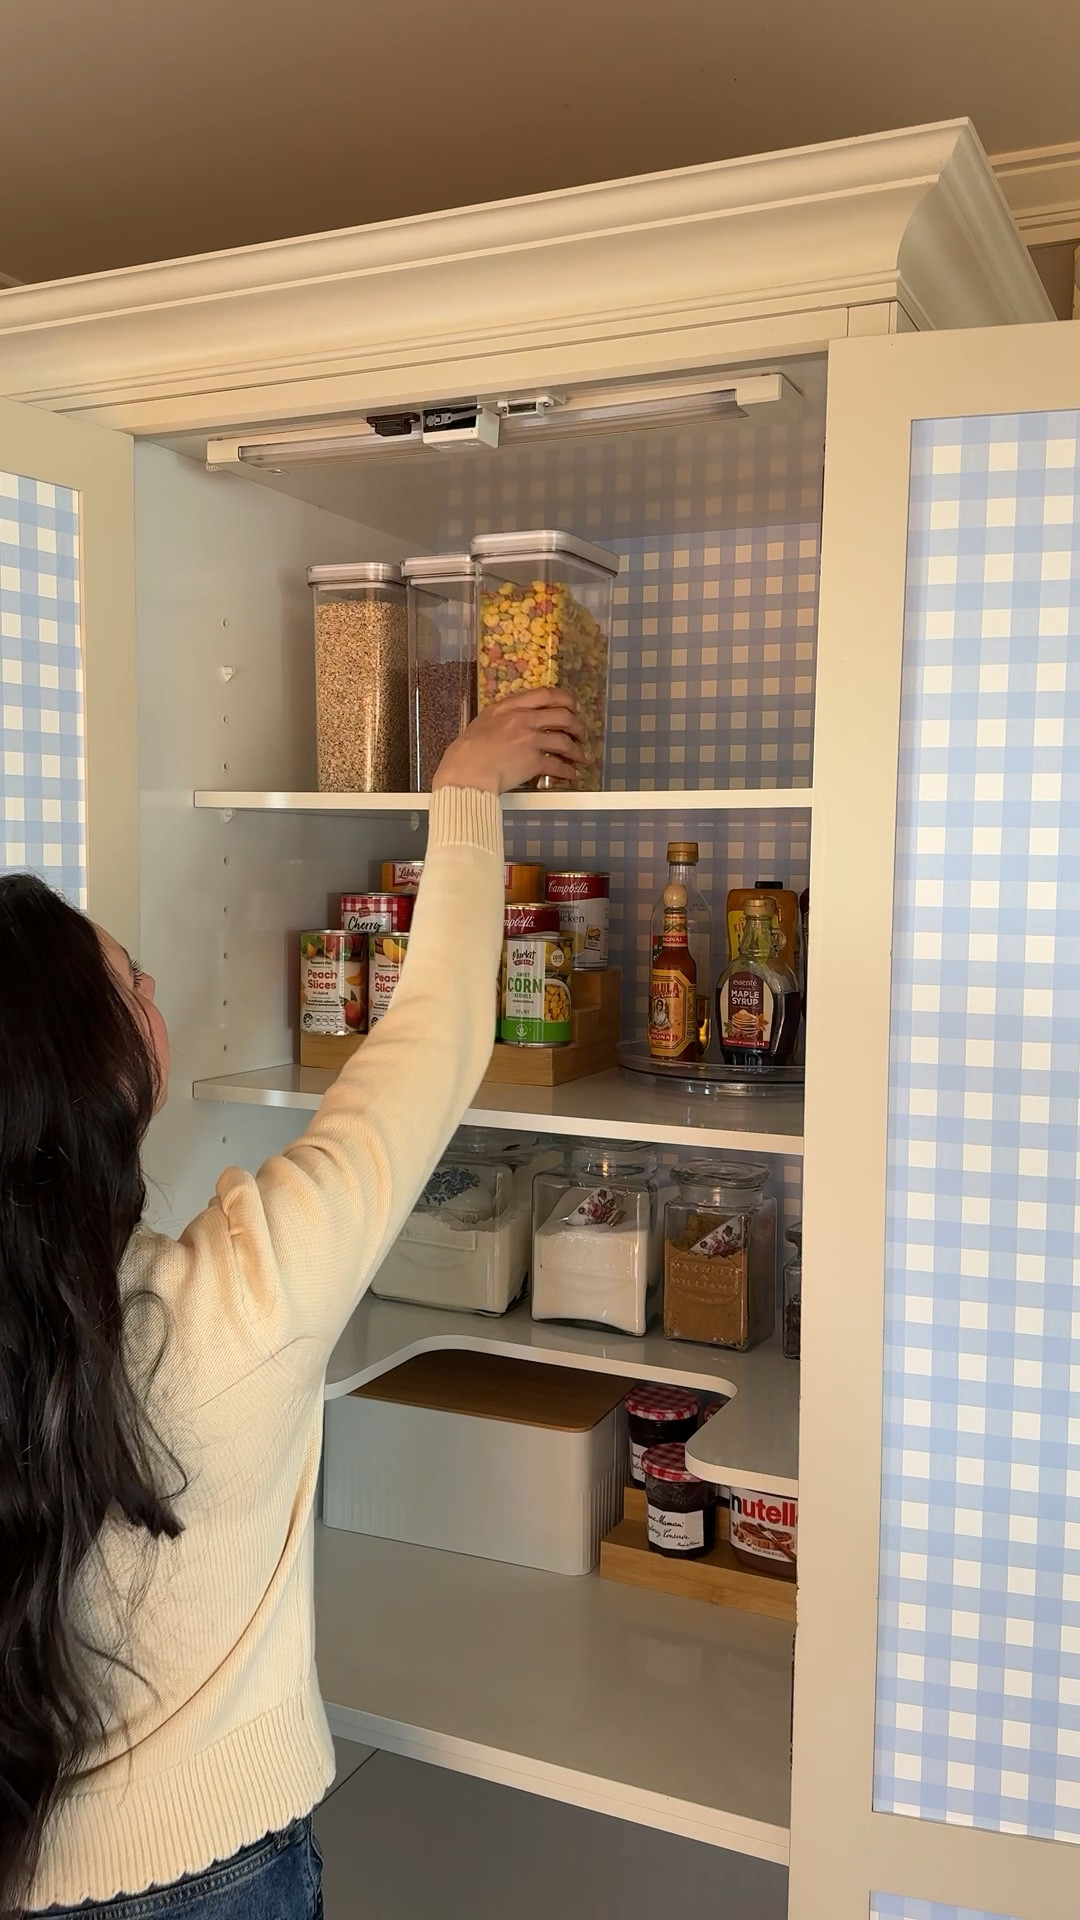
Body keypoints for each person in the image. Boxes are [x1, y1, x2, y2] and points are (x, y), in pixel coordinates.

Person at [0, 688, 585, 1920]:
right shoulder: (237, 1298)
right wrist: (466, 792)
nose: (159, 997)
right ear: (100, 1069)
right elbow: (427, 1043)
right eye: (136, 985)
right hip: (217, 1875)